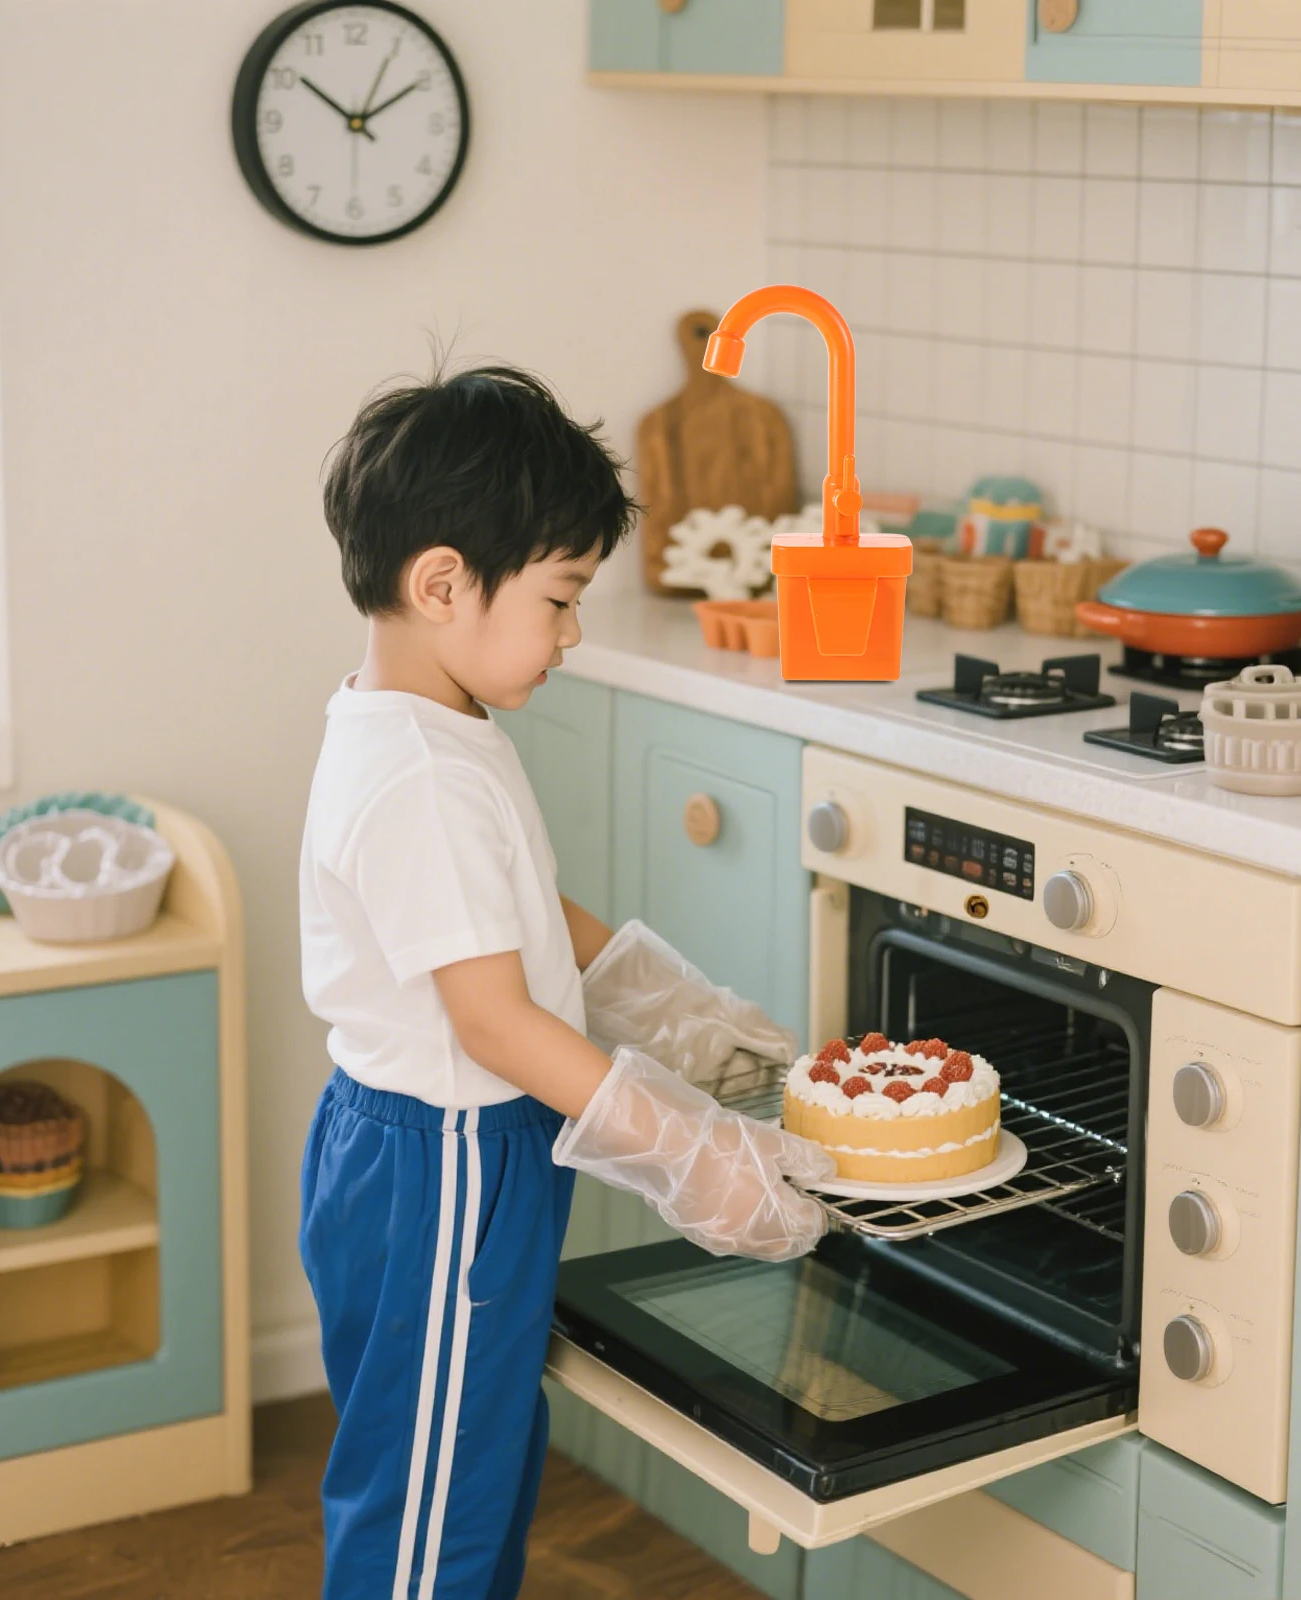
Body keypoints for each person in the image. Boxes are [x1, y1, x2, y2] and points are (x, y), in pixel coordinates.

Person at [298, 365, 833, 1600]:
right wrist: (691, 1148)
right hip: (438, 1166)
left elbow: (522, 923)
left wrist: (690, 1026)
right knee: (427, 1508)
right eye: (560, 597)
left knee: (468, 1462)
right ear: (443, 584)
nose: (572, 634)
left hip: (442, 1156)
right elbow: (489, 1019)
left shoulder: (427, 725)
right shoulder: (419, 775)